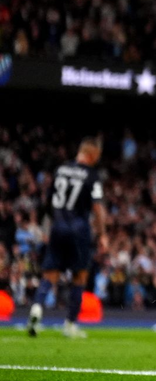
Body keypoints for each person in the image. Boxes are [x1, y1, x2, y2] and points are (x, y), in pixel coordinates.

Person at [27, 137, 107, 339]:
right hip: (79, 229)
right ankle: (70, 324)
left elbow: (48, 201)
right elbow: (97, 207)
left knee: (50, 274)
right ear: (92, 154)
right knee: (80, 276)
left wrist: (48, 226)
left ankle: (36, 308)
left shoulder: (61, 170)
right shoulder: (92, 175)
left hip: (58, 227)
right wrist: (102, 234)